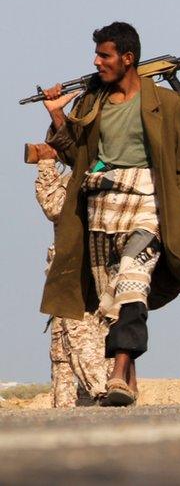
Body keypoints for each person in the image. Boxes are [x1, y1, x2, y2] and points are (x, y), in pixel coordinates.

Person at [39, 22, 180, 407]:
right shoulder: (90, 103)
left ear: (128, 58)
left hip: (148, 205)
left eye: (105, 55)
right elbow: (75, 156)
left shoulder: (167, 104)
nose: (97, 63)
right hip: (101, 210)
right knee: (112, 296)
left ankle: (118, 365)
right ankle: (126, 381)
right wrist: (58, 116)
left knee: (132, 277)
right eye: (96, 55)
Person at [29, 143, 112, 407]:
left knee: (84, 344)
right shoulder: (83, 178)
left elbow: (54, 205)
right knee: (63, 353)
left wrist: (46, 165)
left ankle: (106, 399)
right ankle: (68, 413)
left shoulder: (97, 179)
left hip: (85, 279)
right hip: (68, 277)